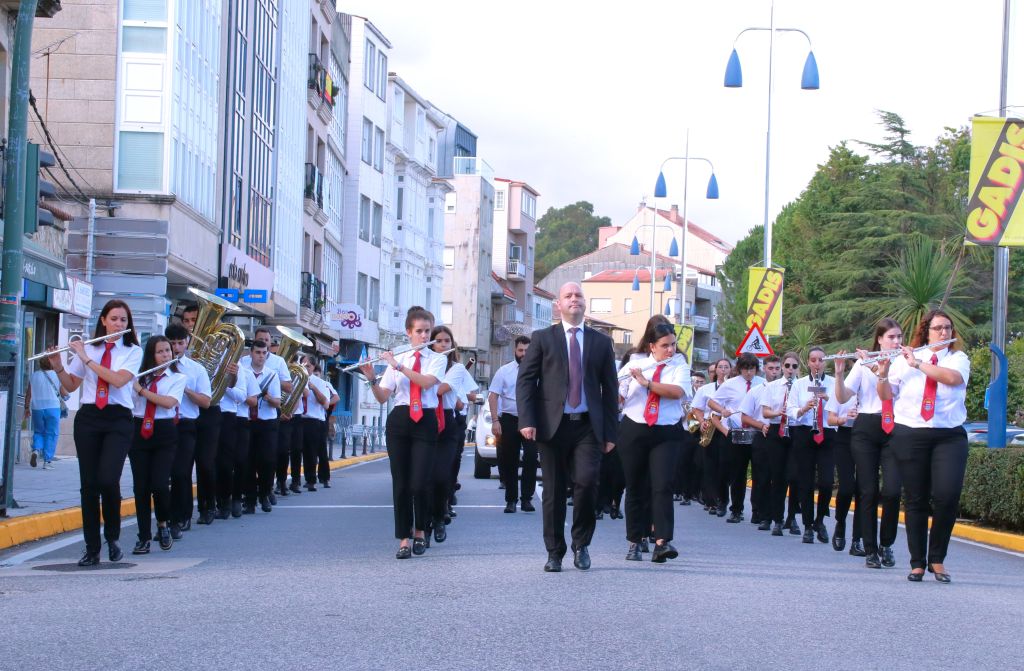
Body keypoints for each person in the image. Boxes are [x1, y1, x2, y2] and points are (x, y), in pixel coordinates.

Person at [516, 282, 618, 572]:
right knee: (554, 490)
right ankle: (554, 551)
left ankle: (581, 543)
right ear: (557, 305)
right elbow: (526, 381)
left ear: (585, 303)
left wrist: (611, 433)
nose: (574, 300)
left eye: (578, 296)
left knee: (587, 482)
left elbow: (610, 390)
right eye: (568, 296)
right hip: (552, 427)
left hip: (587, 426)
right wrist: (527, 420)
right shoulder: (542, 338)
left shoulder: (600, 342)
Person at [877, 309, 969, 583]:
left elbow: (951, 379)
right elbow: (886, 396)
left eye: (948, 328)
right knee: (915, 499)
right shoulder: (903, 360)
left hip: (948, 435)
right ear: (925, 332)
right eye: (938, 328)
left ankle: (937, 559)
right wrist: (882, 374)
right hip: (911, 433)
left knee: (947, 496)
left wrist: (918, 363)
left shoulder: (957, 358)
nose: (944, 333)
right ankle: (917, 562)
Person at [48, 299, 142, 567]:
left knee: (107, 478)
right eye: (114, 319)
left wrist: (86, 357)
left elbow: (119, 380)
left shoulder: (132, 350)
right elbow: (71, 385)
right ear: (103, 320)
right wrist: (58, 365)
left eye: (123, 320)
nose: (118, 324)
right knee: (89, 485)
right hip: (89, 417)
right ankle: (92, 548)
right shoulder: (89, 348)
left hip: (118, 419)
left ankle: (112, 537)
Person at [360, 306, 445, 559]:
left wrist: (398, 366)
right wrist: (372, 379)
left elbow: (427, 382)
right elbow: (382, 397)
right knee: (401, 484)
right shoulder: (398, 359)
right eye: (419, 331)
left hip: (425, 419)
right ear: (409, 332)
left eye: (427, 331)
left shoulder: (437, 359)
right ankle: (404, 538)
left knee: (419, 482)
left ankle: (421, 530)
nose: (424, 335)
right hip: (399, 419)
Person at [833, 318, 904, 567]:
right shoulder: (863, 364)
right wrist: (840, 374)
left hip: (895, 427)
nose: (897, 342)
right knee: (868, 490)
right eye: (892, 337)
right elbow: (842, 397)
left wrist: (877, 368)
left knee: (893, 491)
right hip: (866, 427)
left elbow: (894, 394)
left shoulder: (904, 363)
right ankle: (870, 548)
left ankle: (887, 544)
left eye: (899, 337)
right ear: (880, 340)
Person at [618, 322, 689, 563]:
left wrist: (647, 383)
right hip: (635, 428)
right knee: (635, 486)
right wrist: (619, 389)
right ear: (652, 346)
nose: (670, 350)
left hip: (666, 430)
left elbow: (677, 392)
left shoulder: (679, 365)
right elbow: (618, 394)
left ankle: (662, 541)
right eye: (665, 346)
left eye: (673, 344)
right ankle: (634, 541)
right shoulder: (635, 364)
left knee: (662, 485)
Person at [128, 336, 186, 554]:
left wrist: (141, 390)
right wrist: (133, 385)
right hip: (139, 429)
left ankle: (163, 523)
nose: (166, 355)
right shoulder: (138, 376)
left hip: (164, 432)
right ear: (151, 355)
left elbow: (169, 402)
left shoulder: (177, 378)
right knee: (140, 487)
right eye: (160, 352)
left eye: (168, 351)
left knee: (160, 484)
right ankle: (143, 537)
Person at [165, 323, 212, 533]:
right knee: (163, 474)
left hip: (186, 424)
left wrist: (186, 390)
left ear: (187, 343)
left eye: (180, 343)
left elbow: (206, 402)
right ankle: (165, 519)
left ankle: (182, 516)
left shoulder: (196, 369)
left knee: (181, 472)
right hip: (163, 423)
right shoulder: (157, 366)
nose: (176, 347)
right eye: (172, 343)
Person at [787, 347, 835, 545]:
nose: (817, 363)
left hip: (827, 434)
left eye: (821, 360)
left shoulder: (833, 383)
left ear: (826, 362)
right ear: (808, 363)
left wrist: (828, 399)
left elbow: (843, 404)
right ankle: (807, 525)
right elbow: (790, 409)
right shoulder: (799, 384)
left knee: (826, 482)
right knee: (805, 481)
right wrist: (803, 408)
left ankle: (820, 520)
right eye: (813, 360)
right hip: (804, 432)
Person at [709, 353, 764, 523]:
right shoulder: (730, 384)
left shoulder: (763, 384)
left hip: (756, 431)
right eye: (746, 369)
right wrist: (722, 410)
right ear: (740, 369)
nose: (749, 373)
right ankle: (736, 509)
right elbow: (712, 402)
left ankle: (757, 511)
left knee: (759, 473)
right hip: (737, 432)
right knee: (738, 473)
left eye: (752, 369)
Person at [487, 335, 536, 513]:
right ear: (515, 351)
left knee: (530, 458)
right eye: (521, 350)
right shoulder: (504, 371)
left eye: (527, 351)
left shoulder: (540, 370)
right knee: (509, 461)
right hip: (509, 419)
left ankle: (527, 499)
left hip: (531, 420)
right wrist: (495, 420)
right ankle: (511, 500)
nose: (524, 354)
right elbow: (493, 395)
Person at [761, 351, 802, 536]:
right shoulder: (773, 386)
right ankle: (777, 519)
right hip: (777, 431)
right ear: (782, 367)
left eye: (794, 366)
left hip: (796, 431)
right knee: (778, 477)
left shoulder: (803, 386)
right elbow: (765, 413)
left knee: (794, 477)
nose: (790, 369)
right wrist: (780, 412)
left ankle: (792, 518)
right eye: (787, 366)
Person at [740, 354, 782, 529]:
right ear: (764, 369)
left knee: (780, 477)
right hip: (762, 435)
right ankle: (762, 513)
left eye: (777, 369)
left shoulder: (786, 388)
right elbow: (744, 417)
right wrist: (761, 425)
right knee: (762, 477)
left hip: (781, 436)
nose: (774, 372)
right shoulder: (756, 390)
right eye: (770, 368)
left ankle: (780, 516)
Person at [429, 326, 463, 542]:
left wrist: (422, 380)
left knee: (442, 476)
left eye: (446, 341)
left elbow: (438, 390)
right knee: (424, 477)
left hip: (447, 422)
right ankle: (425, 522)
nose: (442, 345)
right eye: (438, 341)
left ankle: (440, 516)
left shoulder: (457, 369)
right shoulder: (424, 365)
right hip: (424, 419)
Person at [242, 339, 281, 513]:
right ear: (251, 353)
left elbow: (278, 403)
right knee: (248, 461)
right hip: (248, 421)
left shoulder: (272, 374)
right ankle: (250, 500)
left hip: (267, 422)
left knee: (267, 461)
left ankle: (264, 493)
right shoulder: (244, 371)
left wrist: (266, 397)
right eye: (257, 352)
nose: (261, 356)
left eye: (264, 353)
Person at [825, 391, 861, 555]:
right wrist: (844, 418)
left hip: (867, 437)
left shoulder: (875, 391)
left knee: (864, 490)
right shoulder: (843, 391)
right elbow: (830, 419)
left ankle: (857, 540)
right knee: (847, 487)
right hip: (844, 437)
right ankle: (840, 522)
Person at [302, 357, 337, 491]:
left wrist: (313, 388)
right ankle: (306, 478)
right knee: (305, 451)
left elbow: (326, 403)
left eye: (308, 366)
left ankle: (320, 479)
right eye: (303, 365)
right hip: (300, 418)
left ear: (313, 367)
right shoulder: (297, 379)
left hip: (315, 420)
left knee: (318, 451)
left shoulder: (321, 383)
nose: (306, 368)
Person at [25, 356, 66, 469]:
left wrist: (26, 408)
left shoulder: (34, 376)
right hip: (53, 407)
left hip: (37, 408)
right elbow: (63, 392)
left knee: (38, 432)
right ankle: (47, 461)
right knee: (51, 433)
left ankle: (36, 450)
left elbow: (28, 394)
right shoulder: (57, 375)